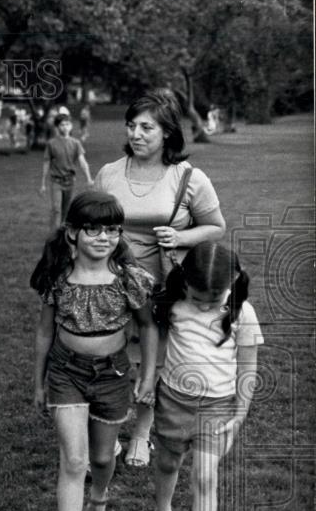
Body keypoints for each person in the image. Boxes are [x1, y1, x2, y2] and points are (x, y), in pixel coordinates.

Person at [31, 192, 158, 511]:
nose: (104, 237)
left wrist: (148, 375)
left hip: (114, 374)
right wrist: (38, 381)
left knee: (102, 458)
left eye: (112, 230)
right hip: (66, 372)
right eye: (93, 229)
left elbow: (149, 328)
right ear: (72, 233)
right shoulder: (58, 278)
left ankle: (99, 496)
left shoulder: (129, 280)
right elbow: (45, 331)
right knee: (74, 460)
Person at [93, 89, 226, 469]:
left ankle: (141, 433)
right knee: (109, 354)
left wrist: (182, 237)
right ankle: (109, 425)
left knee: (154, 358)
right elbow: (89, 224)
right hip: (111, 282)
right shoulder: (108, 173)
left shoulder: (189, 178)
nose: (136, 134)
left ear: (167, 132)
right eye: (131, 126)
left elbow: (216, 227)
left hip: (163, 285)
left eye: (146, 127)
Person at [142, 242, 263, 511]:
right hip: (173, 401)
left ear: (234, 279)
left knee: (206, 477)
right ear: (184, 282)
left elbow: (248, 368)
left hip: (218, 407)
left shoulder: (243, 313)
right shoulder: (173, 305)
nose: (207, 303)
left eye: (215, 295)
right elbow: (157, 345)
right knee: (167, 462)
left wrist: (239, 414)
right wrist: (149, 382)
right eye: (198, 296)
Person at [41, 114, 94, 231]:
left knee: (66, 210)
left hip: (70, 181)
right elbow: (46, 163)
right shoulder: (51, 143)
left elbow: (83, 162)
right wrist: (43, 183)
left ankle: (63, 233)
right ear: (57, 127)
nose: (65, 127)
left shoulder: (76, 143)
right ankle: (54, 236)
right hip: (56, 181)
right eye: (62, 124)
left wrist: (89, 178)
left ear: (71, 126)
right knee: (56, 209)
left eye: (67, 124)